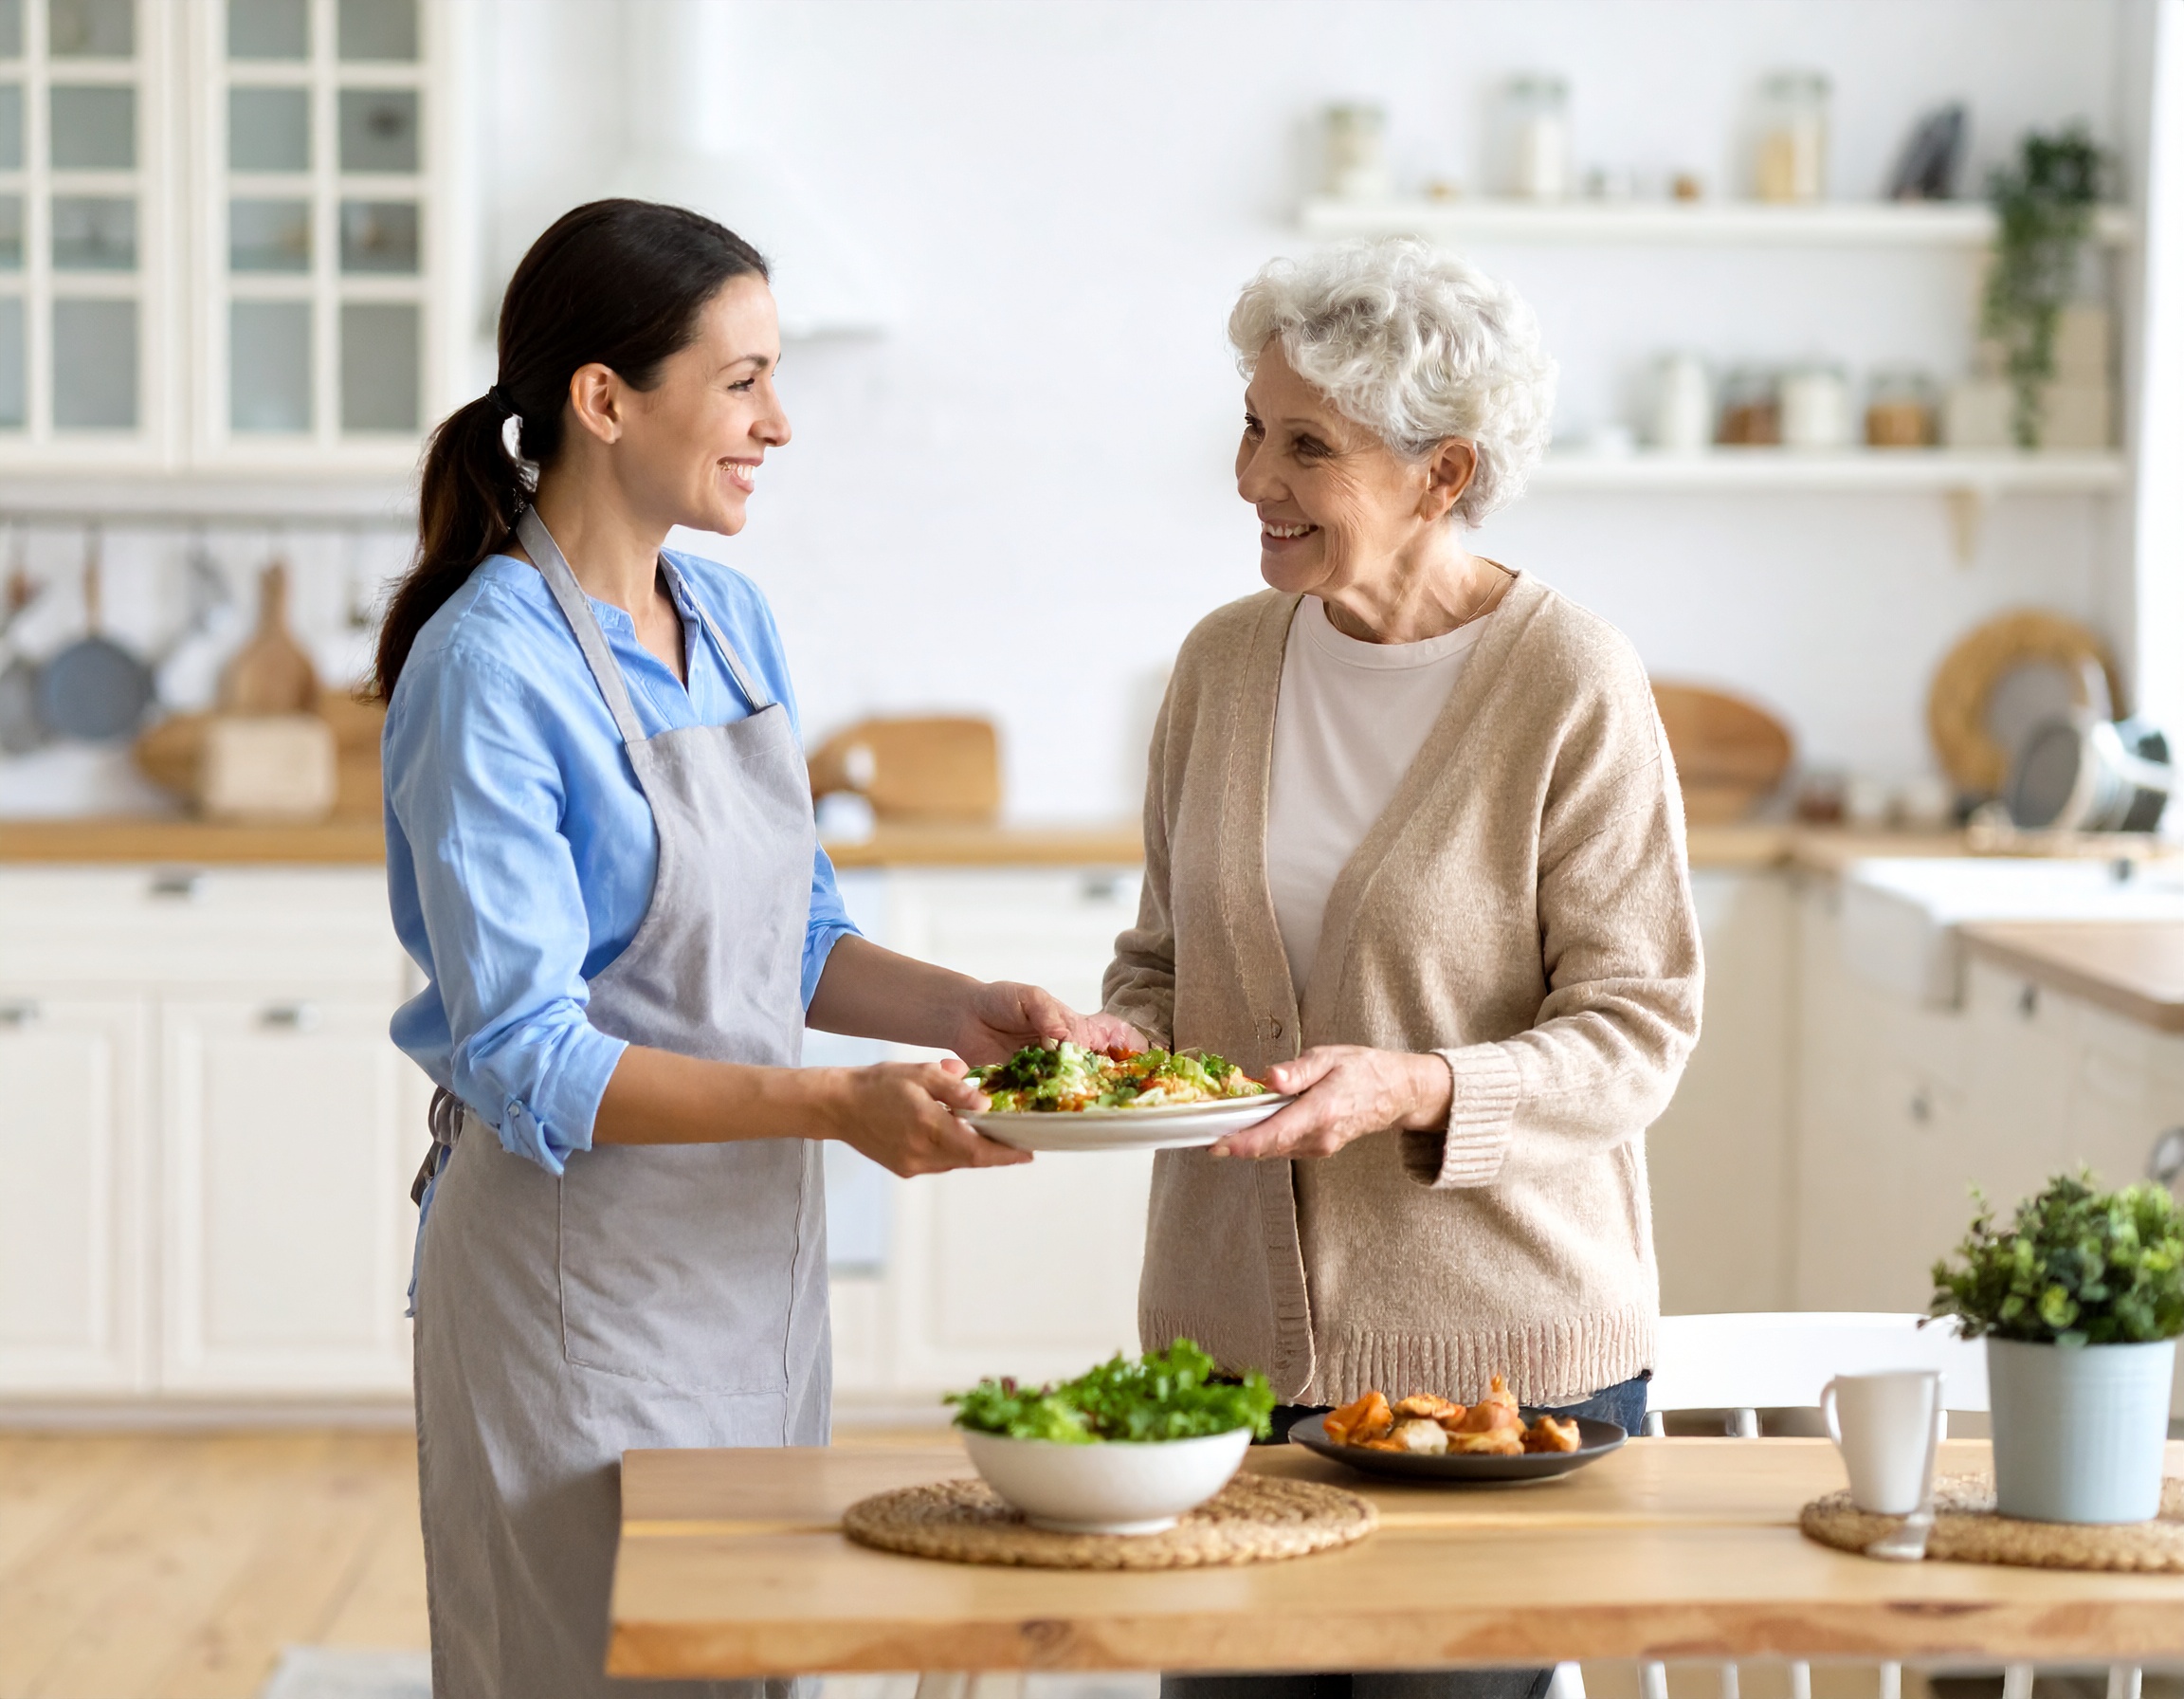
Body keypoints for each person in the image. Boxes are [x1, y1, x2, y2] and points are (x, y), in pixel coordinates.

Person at [377, 199, 1126, 1699]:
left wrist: (970, 1010)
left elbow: (796, 940)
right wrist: (835, 1109)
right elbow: (528, 1053)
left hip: (745, 1269)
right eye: (742, 381)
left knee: (751, 1667)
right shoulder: (487, 669)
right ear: (604, 398)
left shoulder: (726, 618)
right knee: (589, 1668)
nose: (778, 423)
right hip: (576, 1285)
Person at [1103, 238, 1704, 1699]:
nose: (1254, 479)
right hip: (1228, 1367)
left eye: (1308, 445)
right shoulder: (1223, 665)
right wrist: (1118, 1047)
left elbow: (1638, 1029)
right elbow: (1162, 962)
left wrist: (1419, 1086)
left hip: (1493, 1373)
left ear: (1444, 475)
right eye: (1255, 426)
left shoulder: (1570, 680)